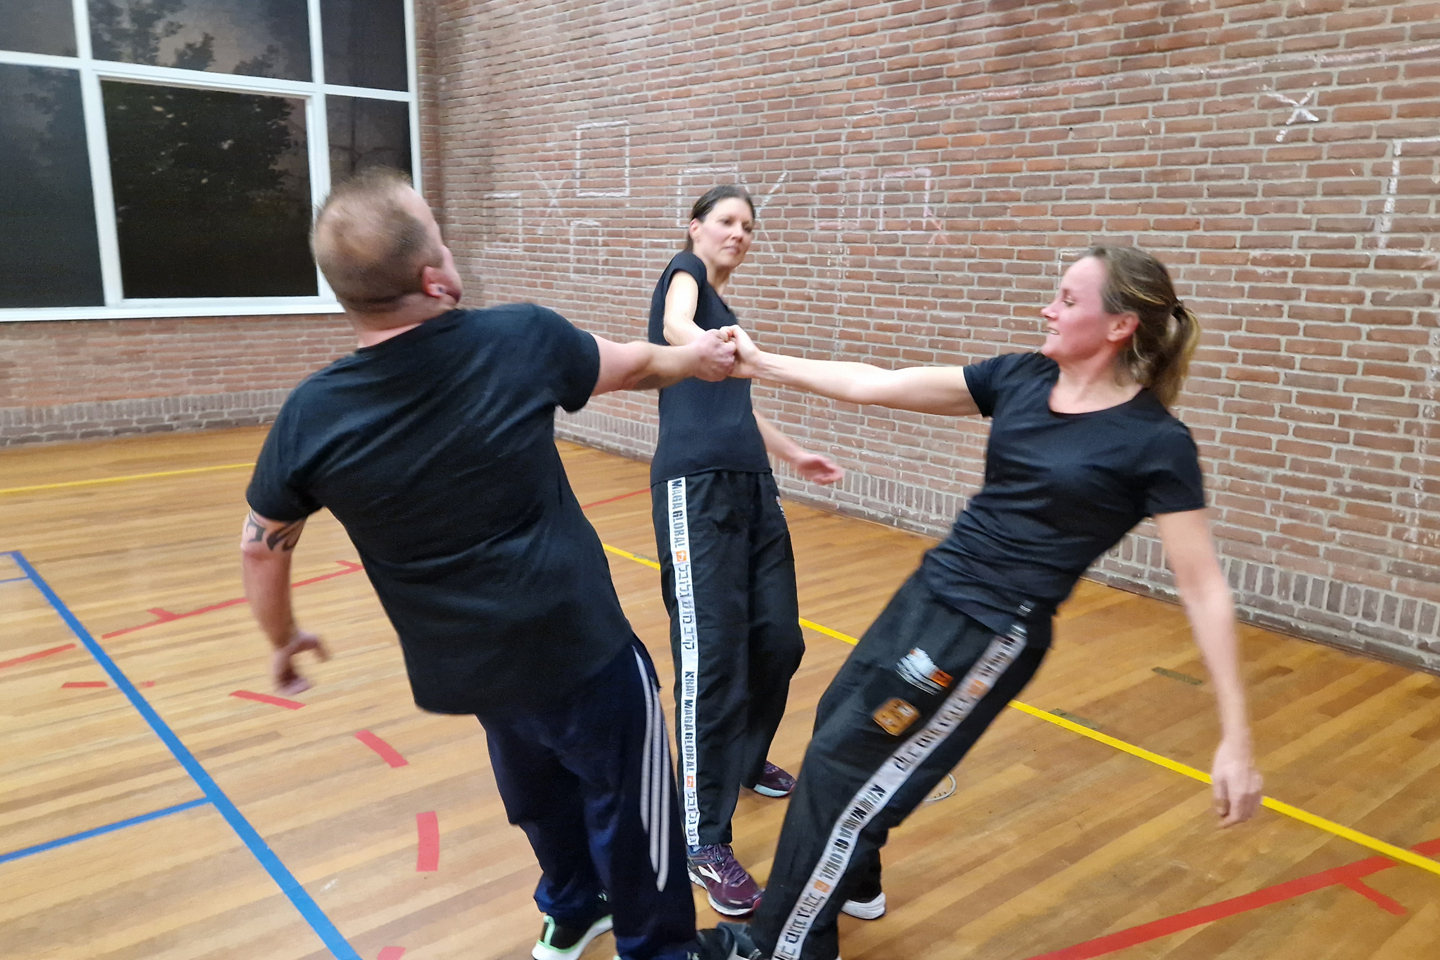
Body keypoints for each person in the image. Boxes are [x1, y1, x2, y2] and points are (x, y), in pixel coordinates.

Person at [238, 168, 741, 960]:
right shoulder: (519, 339)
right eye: (436, 230)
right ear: (434, 278)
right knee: (633, 803)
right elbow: (638, 364)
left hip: (471, 671)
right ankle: (661, 951)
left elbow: (261, 545)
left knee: (538, 790)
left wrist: (283, 636)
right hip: (582, 651)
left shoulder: (312, 416)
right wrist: (700, 359)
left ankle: (573, 908)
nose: (447, 240)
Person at [714, 245, 1265, 960]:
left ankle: (777, 947)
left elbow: (1203, 586)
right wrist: (762, 363)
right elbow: (875, 384)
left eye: (1069, 299)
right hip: (930, 592)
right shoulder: (1025, 377)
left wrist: (1238, 738)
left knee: (839, 770)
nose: (1049, 308)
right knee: (834, 726)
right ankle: (853, 881)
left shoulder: (1155, 443)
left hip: (988, 633)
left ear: (1120, 324)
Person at [648, 186, 844, 917]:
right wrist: (695, 341)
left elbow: (740, 405)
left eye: (748, 227)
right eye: (727, 221)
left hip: (754, 490)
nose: (739, 233)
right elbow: (674, 324)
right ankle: (704, 840)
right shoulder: (684, 278)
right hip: (695, 493)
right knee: (712, 663)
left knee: (780, 643)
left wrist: (794, 456)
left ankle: (741, 758)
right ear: (696, 227)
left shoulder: (724, 317)